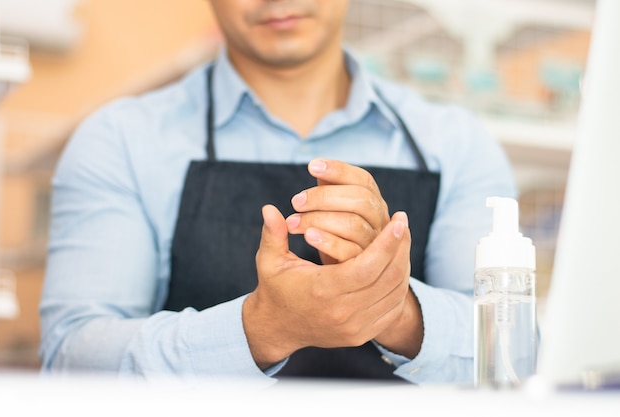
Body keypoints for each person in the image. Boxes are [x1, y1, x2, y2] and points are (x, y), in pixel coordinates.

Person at [39, 0, 515, 384]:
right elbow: (70, 357)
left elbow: (511, 354)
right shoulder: (121, 140)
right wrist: (261, 328)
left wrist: (390, 306)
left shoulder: (457, 144)